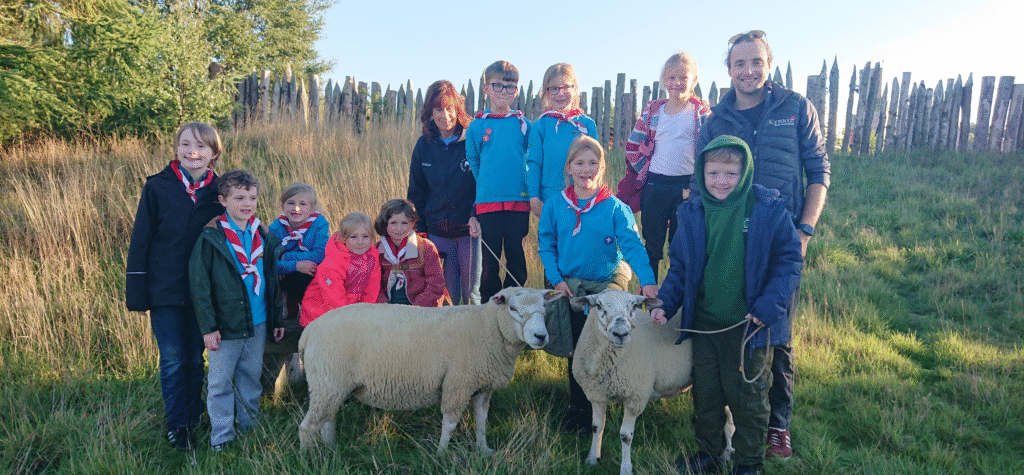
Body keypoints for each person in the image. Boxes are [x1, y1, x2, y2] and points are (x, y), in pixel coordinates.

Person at [697, 30, 831, 460]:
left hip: (781, 235)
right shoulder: (716, 119)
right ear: (729, 69)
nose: (748, 71)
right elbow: (703, 179)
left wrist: (804, 229)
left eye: (756, 62)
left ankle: (777, 425)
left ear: (768, 64)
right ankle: (726, 418)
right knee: (736, 323)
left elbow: (818, 171)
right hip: (730, 240)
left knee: (778, 332)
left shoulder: (794, 108)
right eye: (739, 63)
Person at [651, 136, 802, 475]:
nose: (721, 181)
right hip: (704, 324)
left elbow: (789, 262)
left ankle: (748, 463)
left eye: (731, 174)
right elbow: (680, 267)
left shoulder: (767, 209)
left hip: (750, 327)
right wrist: (665, 303)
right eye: (713, 173)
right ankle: (709, 454)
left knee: (748, 401)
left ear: (746, 171)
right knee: (706, 395)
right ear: (702, 173)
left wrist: (768, 307)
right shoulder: (691, 212)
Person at [536, 135, 659, 435]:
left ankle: (621, 395)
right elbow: (546, 245)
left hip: (607, 283)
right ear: (569, 168)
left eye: (593, 163)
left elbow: (632, 247)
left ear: (602, 167)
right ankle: (579, 407)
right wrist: (557, 281)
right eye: (580, 163)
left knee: (609, 340)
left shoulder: (616, 208)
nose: (586, 169)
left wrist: (648, 282)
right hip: (572, 285)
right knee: (579, 348)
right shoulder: (555, 206)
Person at [125, 122, 225, 450]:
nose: (192, 152)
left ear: (214, 153)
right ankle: (177, 425)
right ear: (176, 148)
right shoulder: (158, 187)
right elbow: (141, 241)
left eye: (201, 147)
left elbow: (242, 231)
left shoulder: (221, 193)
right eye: (185, 145)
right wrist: (137, 293)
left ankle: (194, 415)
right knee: (172, 359)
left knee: (196, 359)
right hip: (164, 289)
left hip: (204, 293)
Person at [188, 169, 285, 452]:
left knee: (250, 378)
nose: (247, 203)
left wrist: (276, 318)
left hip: (258, 321)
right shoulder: (211, 238)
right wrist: (208, 328)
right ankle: (221, 436)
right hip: (225, 325)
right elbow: (200, 287)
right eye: (239, 197)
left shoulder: (262, 234)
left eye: (252, 197)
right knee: (219, 383)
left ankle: (249, 427)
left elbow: (272, 280)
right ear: (223, 200)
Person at [616, 53, 711, 281]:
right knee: (652, 243)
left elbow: (710, 149)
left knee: (680, 245)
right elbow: (633, 145)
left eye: (683, 77)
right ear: (663, 80)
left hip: (685, 186)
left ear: (694, 80)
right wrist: (644, 169)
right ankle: (648, 293)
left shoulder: (700, 113)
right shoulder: (653, 111)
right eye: (671, 77)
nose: (677, 83)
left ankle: (675, 297)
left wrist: (700, 179)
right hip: (655, 184)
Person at [407, 79, 482, 305]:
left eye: (450, 109)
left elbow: (483, 184)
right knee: (447, 296)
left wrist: (475, 213)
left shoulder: (472, 141)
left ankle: (476, 340)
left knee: (472, 295)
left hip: (470, 231)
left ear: (458, 110)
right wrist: (419, 231)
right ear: (430, 112)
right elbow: (416, 192)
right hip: (437, 232)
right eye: (438, 109)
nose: (445, 116)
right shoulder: (423, 145)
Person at [466, 60, 531, 301]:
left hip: (518, 201)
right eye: (498, 86)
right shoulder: (477, 126)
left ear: (516, 91)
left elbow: (530, 157)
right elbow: (473, 159)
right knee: (490, 259)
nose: (504, 92)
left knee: (516, 256)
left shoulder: (524, 124)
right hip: (488, 202)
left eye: (510, 87)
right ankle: (489, 307)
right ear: (486, 89)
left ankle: (516, 301)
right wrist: (486, 182)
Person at [265, 182, 328, 377]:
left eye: (303, 203)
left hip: (308, 277)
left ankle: (306, 310)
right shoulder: (276, 227)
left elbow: (319, 256)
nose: (297, 208)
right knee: (276, 275)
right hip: (287, 275)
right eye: (290, 203)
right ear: (283, 205)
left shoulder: (319, 223)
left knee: (306, 274)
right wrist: (294, 264)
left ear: (313, 207)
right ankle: (287, 304)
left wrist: (286, 258)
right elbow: (270, 262)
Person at [527, 63, 598, 218]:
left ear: (575, 88)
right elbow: (534, 163)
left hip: (582, 199)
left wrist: (593, 194)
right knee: (551, 241)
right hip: (550, 200)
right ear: (545, 92)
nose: (560, 93)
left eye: (566, 87)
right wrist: (534, 197)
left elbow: (596, 163)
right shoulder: (540, 126)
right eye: (554, 88)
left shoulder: (587, 125)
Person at [299, 212, 381, 325]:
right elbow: (334, 297)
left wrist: (364, 312)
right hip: (321, 314)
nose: (360, 241)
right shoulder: (333, 262)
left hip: (350, 311)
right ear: (342, 238)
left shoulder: (372, 256)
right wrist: (349, 318)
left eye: (365, 236)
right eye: (354, 237)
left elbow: (372, 287)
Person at [374, 199, 447, 307]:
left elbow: (436, 284)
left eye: (404, 223)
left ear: (412, 224)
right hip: (388, 308)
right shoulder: (376, 251)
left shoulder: (426, 248)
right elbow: (373, 284)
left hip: (421, 308)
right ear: (385, 224)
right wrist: (384, 306)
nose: (399, 229)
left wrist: (415, 308)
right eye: (393, 223)